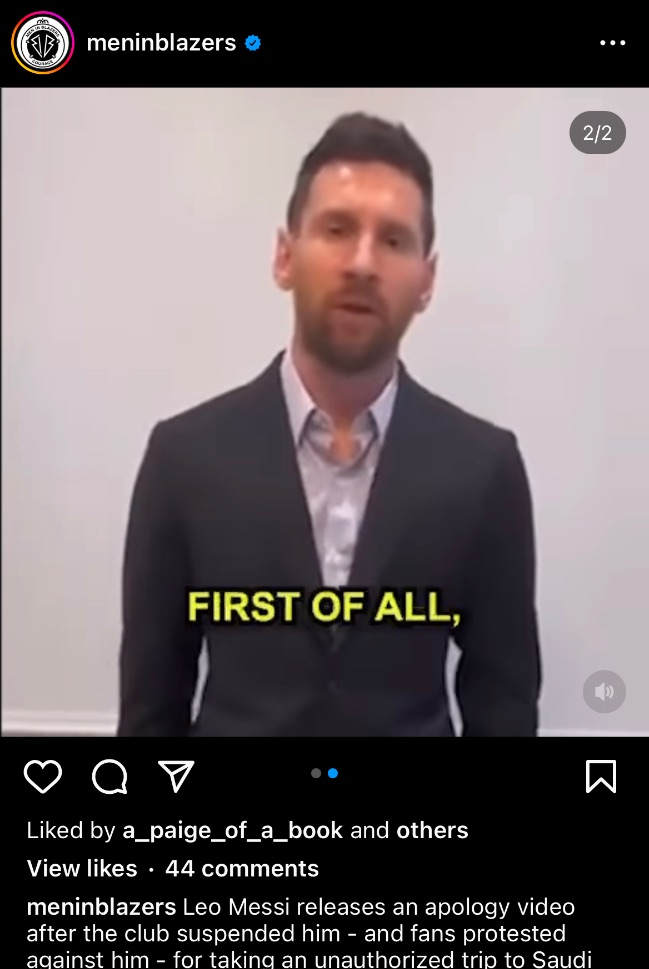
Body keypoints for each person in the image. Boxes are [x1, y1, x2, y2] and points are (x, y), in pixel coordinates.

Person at [117, 111, 541, 737]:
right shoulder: (182, 460)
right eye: (337, 229)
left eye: (393, 240)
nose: (363, 262)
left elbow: (504, 706)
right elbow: (151, 710)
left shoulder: (485, 468)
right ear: (285, 256)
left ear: (427, 280)